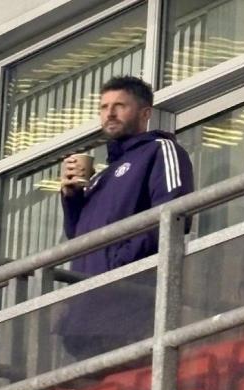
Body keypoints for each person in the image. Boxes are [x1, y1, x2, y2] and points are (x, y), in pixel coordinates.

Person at [58, 76, 194, 358]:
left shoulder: (160, 150)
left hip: (133, 306)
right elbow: (78, 238)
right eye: (104, 107)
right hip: (87, 318)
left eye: (120, 106)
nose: (109, 113)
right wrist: (72, 198)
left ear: (145, 113)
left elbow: (174, 216)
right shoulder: (100, 178)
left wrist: (119, 264)